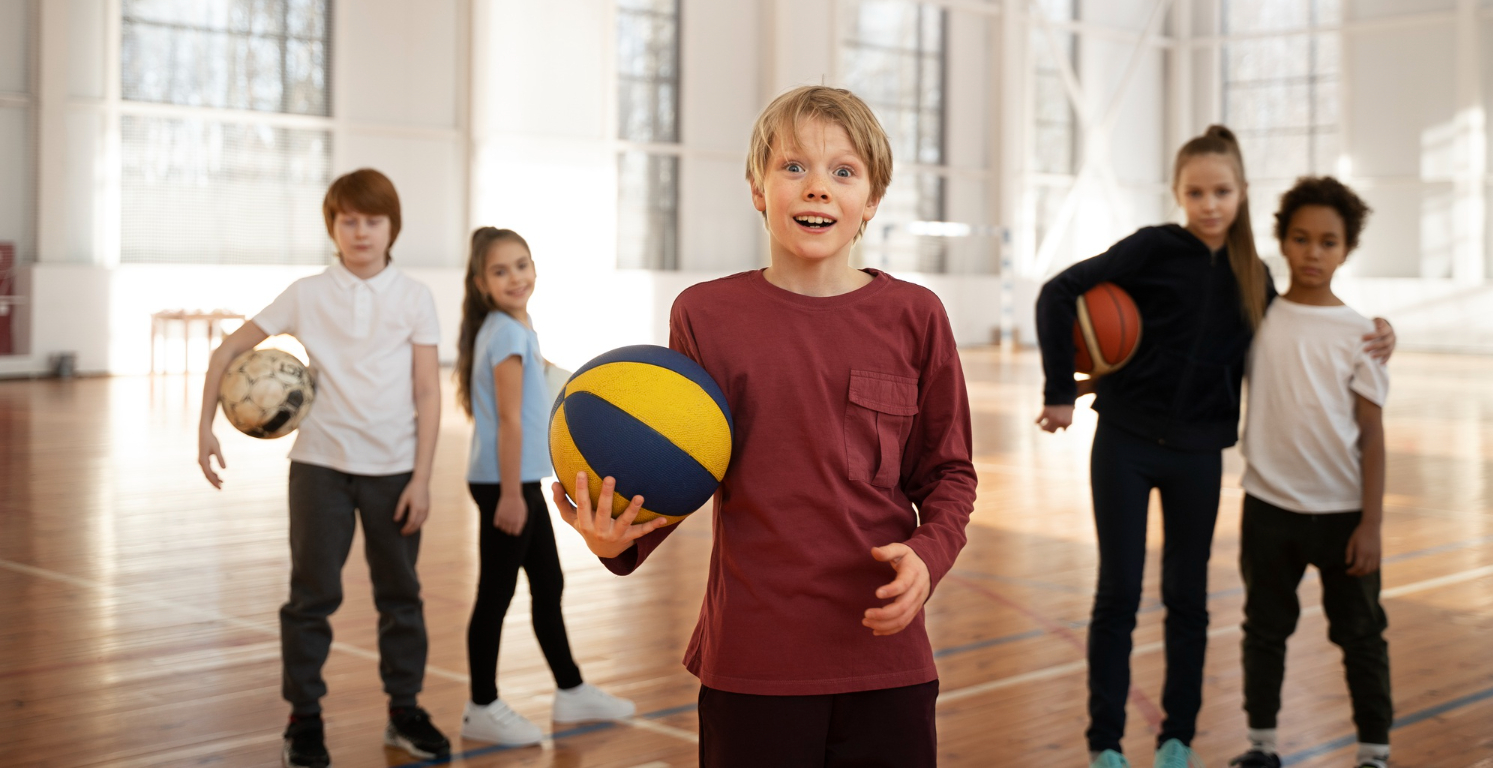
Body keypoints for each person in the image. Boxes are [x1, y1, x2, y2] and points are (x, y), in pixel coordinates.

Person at [550, 86, 978, 768]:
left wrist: (929, 557)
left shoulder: (916, 315)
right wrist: (615, 542)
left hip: (887, 660)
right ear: (758, 188)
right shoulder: (706, 316)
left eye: (843, 172)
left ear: (871, 201)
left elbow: (950, 472)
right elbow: (679, 465)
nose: (817, 189)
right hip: (754, 662)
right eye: (793, 167)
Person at [1034, 127, 1394, 768]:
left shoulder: (1253, 277)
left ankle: (1177, 739)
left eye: (1221, 191)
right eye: (1195, 192)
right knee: (1117, 594)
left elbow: (1301, 330)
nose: (1208, 204)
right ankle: (1105, 746)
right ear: (1177, 193)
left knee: (1188, 601)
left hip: (1198, 456)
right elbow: (1058, 291)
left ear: (1243, 193)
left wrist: (1379, 331)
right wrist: (1063, 387)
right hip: (1125, 442)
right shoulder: (1151, 249)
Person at [196, 169, 450, 768]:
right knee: (311, 597)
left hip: (393, 471)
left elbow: (428, 394)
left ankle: (404, 711)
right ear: (333, 227)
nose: (360, 232)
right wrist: (203, 426)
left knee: (401, 597)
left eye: (373, 220)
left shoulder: (415, 296)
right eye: (348, 220)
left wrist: (422, 477)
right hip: (320, 465)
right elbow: (226, 350)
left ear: (392, 228)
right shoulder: (307, 293)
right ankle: (303, 719)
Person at [1230, 178, 1391, 768]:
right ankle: (1262, 746)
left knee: (1362, 636)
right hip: (1268, 508)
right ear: (1283, 241)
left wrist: (1371, 523)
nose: (1313, 253)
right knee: (1264, 631)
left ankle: (1375, 752)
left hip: (1344, 513)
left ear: (1347, 249)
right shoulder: (1259, 313)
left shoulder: (1362, 334)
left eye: (1328, 242)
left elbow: (1372, 435)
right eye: (1301, 239)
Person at [454, 226, 635, 746]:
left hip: (512, 480)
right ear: (481, 282)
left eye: (522, 265)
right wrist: (512, 494)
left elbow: (541, 374)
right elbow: (510, 421)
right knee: (496, 593)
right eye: (500, 270)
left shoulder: (510, 325)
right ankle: (480, 706)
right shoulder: (507, 332)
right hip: (504, 484)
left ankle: (571, 690)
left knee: (548, 585)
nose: (515, 277)